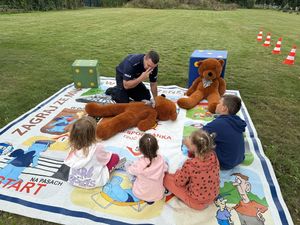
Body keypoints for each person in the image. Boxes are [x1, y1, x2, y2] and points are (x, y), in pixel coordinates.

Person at [163, 130, 220, 210]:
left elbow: (179, 182)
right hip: (213, 195)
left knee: (166, 178)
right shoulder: (213, 155)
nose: (187, 138)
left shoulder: (190, 164)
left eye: (190, 138)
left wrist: (178, 172)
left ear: (193, 147)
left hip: (196, 202)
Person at [64, 116, 121, 189]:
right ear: (93, 133)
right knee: (115, 157)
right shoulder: (97, 147)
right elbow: (106, 160)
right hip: (95, 182)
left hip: (74, 180)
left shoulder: (72, 147)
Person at [202, 94, 247, 170]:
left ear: (224, 108)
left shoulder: (218, 124)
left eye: (219, 103)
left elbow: (199, 134)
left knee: (201, 143)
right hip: (239, 159)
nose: (217, 104)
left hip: (224, 163)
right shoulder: (236, 120)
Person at [126, 133, 168, 202]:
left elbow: (130, 171)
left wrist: (130, 166)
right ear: (157, 147)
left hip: (140, 193)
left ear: (140, 150)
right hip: (158, 195)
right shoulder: (161, 160)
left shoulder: (140, 164)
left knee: (128, 165)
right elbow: (165, 168)